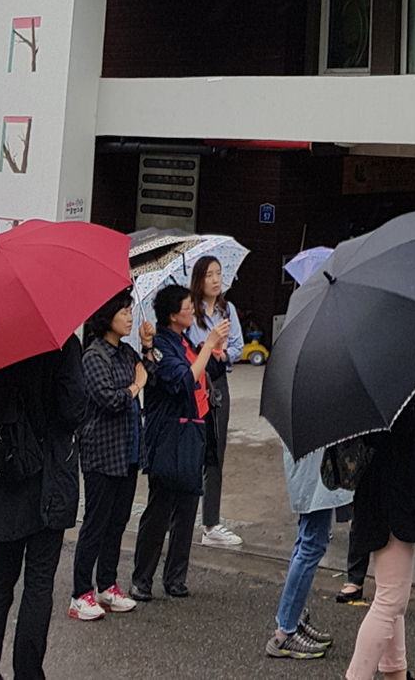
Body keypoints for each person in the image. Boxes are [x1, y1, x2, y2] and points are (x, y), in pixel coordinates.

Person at [0, 336, 86, 680]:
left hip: (6, 470)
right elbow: (72, 410)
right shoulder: (64, 345)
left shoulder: (2, 341)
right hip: (49, 472)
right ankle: (28, 672)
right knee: (38, 581)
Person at [342, 375, 415, 680]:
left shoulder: (383, 369)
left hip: (386, 495)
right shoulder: (387, 373)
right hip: (392, 497)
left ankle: (396, 673)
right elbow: (399, 425)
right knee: (391, 600)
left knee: (391, 595)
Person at [130, 283, 229, 601]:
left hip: (194, 430)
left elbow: (208, 371)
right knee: (160, 507)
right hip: (168, 434)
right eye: (188, 307)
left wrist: (215, 350)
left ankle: (175, 578)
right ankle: (142, 578)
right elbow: (182, 380)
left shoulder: (184, 340)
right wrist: (207, 346)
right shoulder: (160, 344)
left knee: (187, 505)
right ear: (173, 315)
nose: (193, 310)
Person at [70, 288, 158, 621]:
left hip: (128, 452)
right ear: (106, 317)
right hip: (102, 453)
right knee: (96, 523)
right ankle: (80, 593)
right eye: (123, 311)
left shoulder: (125, 352)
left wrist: (147, 347)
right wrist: (135, 387)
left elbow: (150, 372)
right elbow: (109, 399)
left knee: (118, 522)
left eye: (130, 311)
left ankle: (107, 585)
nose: (129, 317)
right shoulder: (93, 356)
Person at [266, 448, 354, 659]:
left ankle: (292, 620)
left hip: (314, 470)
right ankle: (285, 630)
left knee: (308, 540)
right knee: (312, 543)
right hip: (316, 472)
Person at [187, 255, 245, 548]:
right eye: (209, 274)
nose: (215, 279)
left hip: (218, 383)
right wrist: (207, 346)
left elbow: (238, 347)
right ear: (199, 279)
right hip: (194, 383)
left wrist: (223, 353)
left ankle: (210, 524)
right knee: (190, 451)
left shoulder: (227, 309)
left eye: (218, 274)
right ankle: (180, 519)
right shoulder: (189, 309)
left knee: (215, 454)